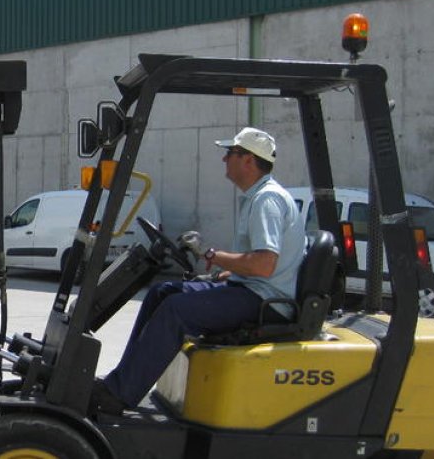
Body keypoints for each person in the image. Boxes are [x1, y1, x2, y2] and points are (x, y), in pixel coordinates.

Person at [92, 127, 305, 415]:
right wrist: (220, 275)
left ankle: (120, 394)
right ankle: (122, 381)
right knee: (161, 293)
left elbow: (264, 265)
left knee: (176, 310)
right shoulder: (257, 198)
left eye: (229, 153)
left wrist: (212, 256)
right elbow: (265, 265)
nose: (224, 160)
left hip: (265, 301)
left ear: (248, 160)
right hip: (253, 289)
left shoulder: (266, 200)